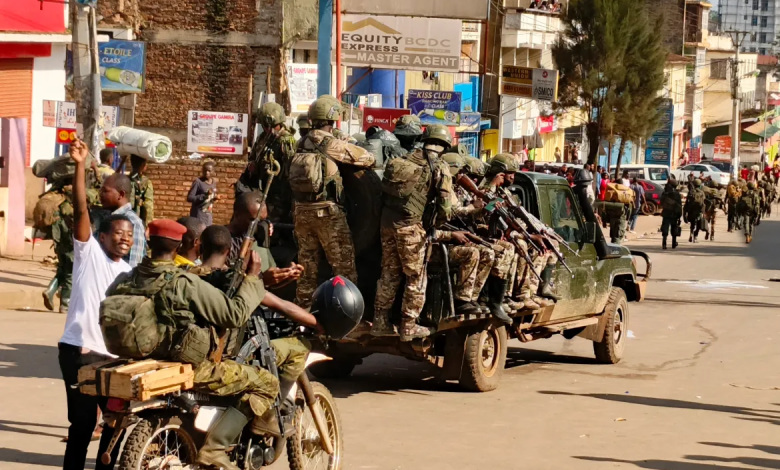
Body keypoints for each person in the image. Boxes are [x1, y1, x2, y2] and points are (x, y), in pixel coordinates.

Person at [103, 219, 306, 470]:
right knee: (268, 383)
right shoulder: (184, 283)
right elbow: (233, 314)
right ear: (179, 247)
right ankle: (216, 449)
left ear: (148, 243)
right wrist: (253, 278)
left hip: (144, 358)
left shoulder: (126, 278)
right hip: (189, 364)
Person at [189, 224, 316, 436]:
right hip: (217, 362)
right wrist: (316, 322)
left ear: (200, 249)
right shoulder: (233, 280)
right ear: (229, 252)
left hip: (190, 355)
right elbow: (283, 306)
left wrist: (261, 280)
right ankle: (265, 417)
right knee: (278, 370)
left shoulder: (185, 275)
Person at [58, 138, 133, 470]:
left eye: (129, 235)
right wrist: (79, 166)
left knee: (114, 424)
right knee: (83, 424)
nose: (125, 238)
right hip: (79, 352)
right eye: (118, 233)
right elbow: (80, 209)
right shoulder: (89, 255)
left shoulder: (128, 271)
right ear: (102, 236)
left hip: (113, 358)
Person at [291, 95, 374, 308]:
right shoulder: (330, 144)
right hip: (327, 214)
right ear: (333, 118)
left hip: (301, 212)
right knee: (344, 269)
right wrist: (347, 143)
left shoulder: (301, 142)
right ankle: (346, 314)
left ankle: (302, 313)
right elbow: (367, 158)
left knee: (307, 268)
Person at [371, 124, 453, 340]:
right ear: (444, 145)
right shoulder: (440, 166)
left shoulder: (402, 160)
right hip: (411, 227)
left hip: (387, 224)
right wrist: (437, 224)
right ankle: (408, 325)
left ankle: (380, 322)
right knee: (416, 276)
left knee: (389, 273)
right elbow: (445, 206)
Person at [227, 191, 303, 289]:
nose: (260, 226)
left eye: (263, 220)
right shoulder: (220, 240)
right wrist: (262, 280)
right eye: (254, 220)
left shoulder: (258, 240)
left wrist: (285, 275)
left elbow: (269, 285)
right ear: (237, 215)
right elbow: (227, 288)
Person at [237, 102, 298, 224]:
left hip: (279, 197)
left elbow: (291, 171)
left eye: (265, 125)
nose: (264, 128)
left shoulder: (286, 141)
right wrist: (252, 166)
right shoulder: (263, 138)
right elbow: (253, 157)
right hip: (261, 192)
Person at [97, 167, 147, 267]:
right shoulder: (107, 217)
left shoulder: (132, 222)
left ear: (121, 194)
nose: (100, 195)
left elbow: (134, 264)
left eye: (105, 191)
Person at [187, 161, 218, 226]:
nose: (206, 173)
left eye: (209, 171)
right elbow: (189, 198)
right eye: (205, 171)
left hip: (208, 215)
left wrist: (215, 198)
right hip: (198, 216)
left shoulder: (213, 182)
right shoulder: (198, 182)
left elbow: (209, 198)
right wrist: (204, 195)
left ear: (213, 171)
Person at [129, 154, 154, 226]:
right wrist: (148, 225)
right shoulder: (146, 182)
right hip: (138, 219)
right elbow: (148, 206)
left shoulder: (125, 179)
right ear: (143, 165)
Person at [660, 180, 683, 249]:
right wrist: (680, 215)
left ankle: (664, 243)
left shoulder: (665, 193)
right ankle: (673, 243)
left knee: (665, 229)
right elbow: (679, 205)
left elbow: (661, 203)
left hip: (666, 213)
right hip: (674, 214)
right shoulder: (677, 194)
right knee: (674, 228)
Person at [684, 178, 706, 243]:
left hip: (691, 211)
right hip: (698, 211)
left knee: (692, 224)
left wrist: (685, 212)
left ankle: (691, 234)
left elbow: (687, 202)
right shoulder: (702, 193)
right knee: (698, 225)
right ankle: (695, 237)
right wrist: (703, 212)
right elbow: (703, 203)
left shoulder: (691, 192)